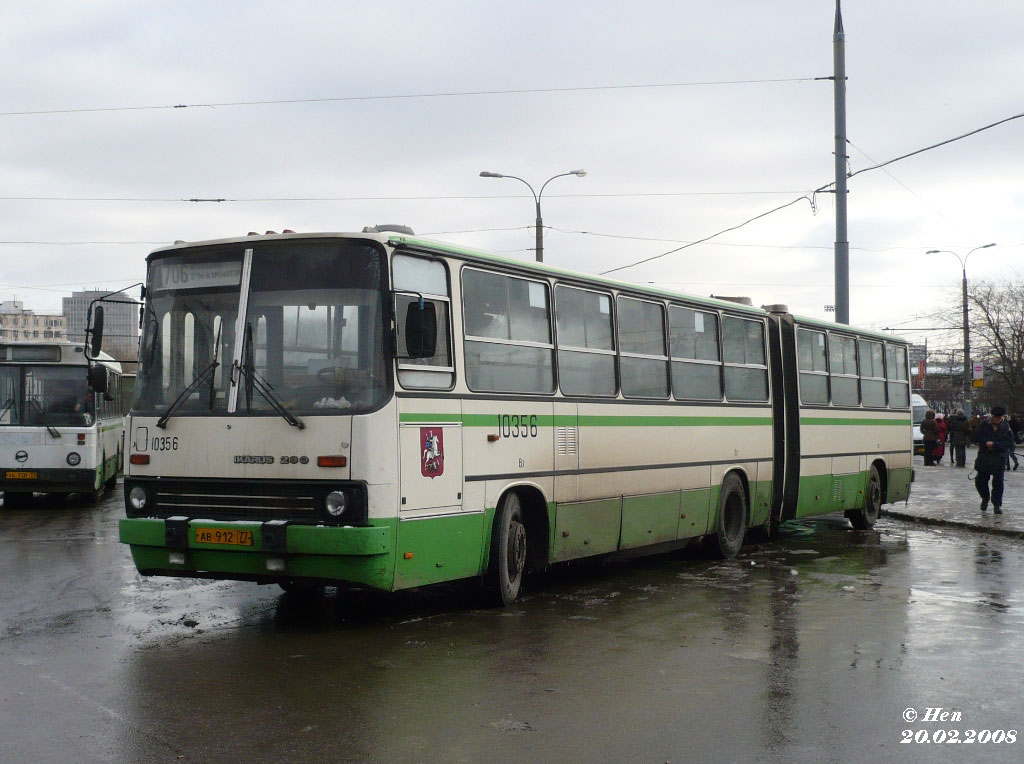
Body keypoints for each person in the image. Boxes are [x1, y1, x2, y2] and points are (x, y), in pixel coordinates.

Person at [974, 406, 1014, 514]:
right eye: (995, 417)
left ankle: (996, 504)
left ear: (1002, 417)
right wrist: (986, 442)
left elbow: (1010, 443)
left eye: (998, 417)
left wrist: (996, 445)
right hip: (984, 457)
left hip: (999, 458)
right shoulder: (984, 424)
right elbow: (976, 437)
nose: (996, 419)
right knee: (980, 481)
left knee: (998, 482)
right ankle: (985, 498)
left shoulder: (1006, 427)